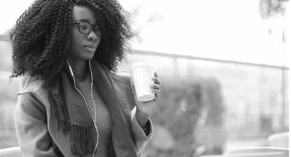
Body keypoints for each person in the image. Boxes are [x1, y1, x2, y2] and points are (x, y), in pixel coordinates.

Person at [10, 0, 160, 156]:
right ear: (57, 30)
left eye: (98, 28)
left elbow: (129, 150)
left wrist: (142, 114)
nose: (93, 35)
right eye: (83, 27)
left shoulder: (117, 86)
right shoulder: (36, 94)